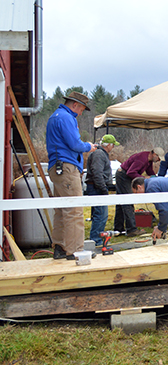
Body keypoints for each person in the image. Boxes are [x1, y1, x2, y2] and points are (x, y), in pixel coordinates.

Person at [46, 91, 98, 260]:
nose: (81, 112)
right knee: (74, 210)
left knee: (61, 210)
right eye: (82, 109)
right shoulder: (67, 118)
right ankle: (76, 250)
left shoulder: (55, 116)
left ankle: (60, 247)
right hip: (67, 168)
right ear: (75, 105)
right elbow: (75, 144)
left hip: (58, 167)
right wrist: (88, 146)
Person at [114, 148, 164, 236]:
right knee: (127, 202)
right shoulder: (142, 160)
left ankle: (118, 229)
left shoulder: (148, 160)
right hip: (123, 176)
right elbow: (130, 172)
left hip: (123, 175)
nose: (158, 160)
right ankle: (131, 229)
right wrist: (144, 179)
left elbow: (150, 172)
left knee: (120, 201)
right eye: (158, 158)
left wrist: (156, 179)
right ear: (154, 154)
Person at [85, 134, 120, 246]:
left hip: (97, 187)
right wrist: (103, 189)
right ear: (108, 145)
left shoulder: (100, 154)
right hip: (96, 188)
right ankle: (96, 240)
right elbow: (97, 173)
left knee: (101, 214)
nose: (113, 147)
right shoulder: (99, 154)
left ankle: (97, 238)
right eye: (113, 145)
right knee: (100, 214)